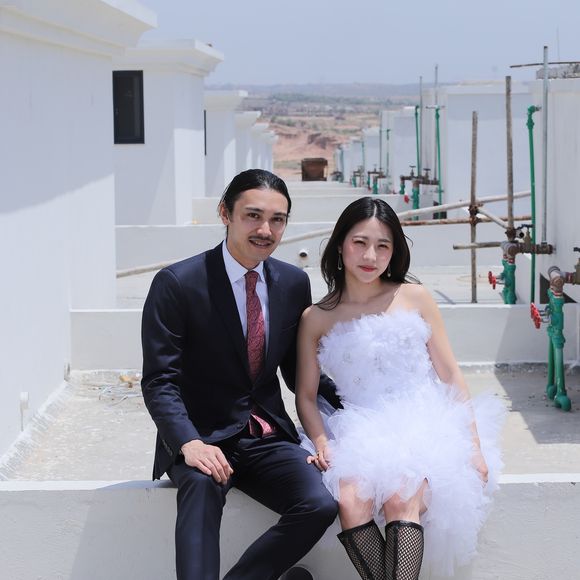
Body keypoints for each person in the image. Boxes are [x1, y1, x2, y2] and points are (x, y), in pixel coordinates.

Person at [141, 169, 340, 580]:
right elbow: (159, 380)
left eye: (277, 219)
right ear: (224, 213)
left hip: (267, 437)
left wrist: (363, 403)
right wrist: (189, 443)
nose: (265, 230)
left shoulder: (293, 282)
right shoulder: (177, 283)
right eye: (253, 216)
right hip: (202, 436)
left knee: (320, 504)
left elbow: (299, 372)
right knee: (200, 487)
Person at [296, 197, 504, 580]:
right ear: (340, 245)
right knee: (350, 502)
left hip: (424, 421)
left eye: (383, 245)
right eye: (360, 242)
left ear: (394, 251)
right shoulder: (316, 317)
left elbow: (450, 374)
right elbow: (306, 397)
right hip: (360, 427)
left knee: (400, 498)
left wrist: (473, 445)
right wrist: (322, 442)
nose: (370, 256)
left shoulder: (415, 296)